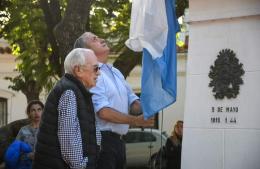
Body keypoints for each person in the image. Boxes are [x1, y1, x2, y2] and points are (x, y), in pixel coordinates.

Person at [74, 32, 154, 169]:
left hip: (119, 142)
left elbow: (133, 103)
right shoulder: (92, 74)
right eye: (95, 39)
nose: (102, 38)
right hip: (102, 142)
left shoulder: (115, 71)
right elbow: (103, 113)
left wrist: (151, 106)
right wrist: (136, 120)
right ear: (88, 51)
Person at [33, 48, 101, 169]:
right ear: (78, 70)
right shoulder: (69, 91)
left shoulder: (76, 90)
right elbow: (68, 138)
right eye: (95, 68)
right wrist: (81, 165)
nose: (99, 73)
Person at [4, 100, 44, 169]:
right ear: (29, 113)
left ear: (43, 112)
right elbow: (16, 150)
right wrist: (28, 156)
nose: (36, 113)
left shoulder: (47, 130)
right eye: (33, 110)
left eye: (39, 109)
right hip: (25, 163)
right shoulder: (23, 130)